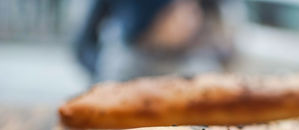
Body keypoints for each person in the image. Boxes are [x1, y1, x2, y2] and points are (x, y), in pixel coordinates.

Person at [75, 0, 231, 82]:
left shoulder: (200, 64)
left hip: (182, 61)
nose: (193, 19)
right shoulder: (122, 66)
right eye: (179, 12)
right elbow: (82, 44)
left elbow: (224, 37)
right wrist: (102, 76)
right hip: (132, 64)